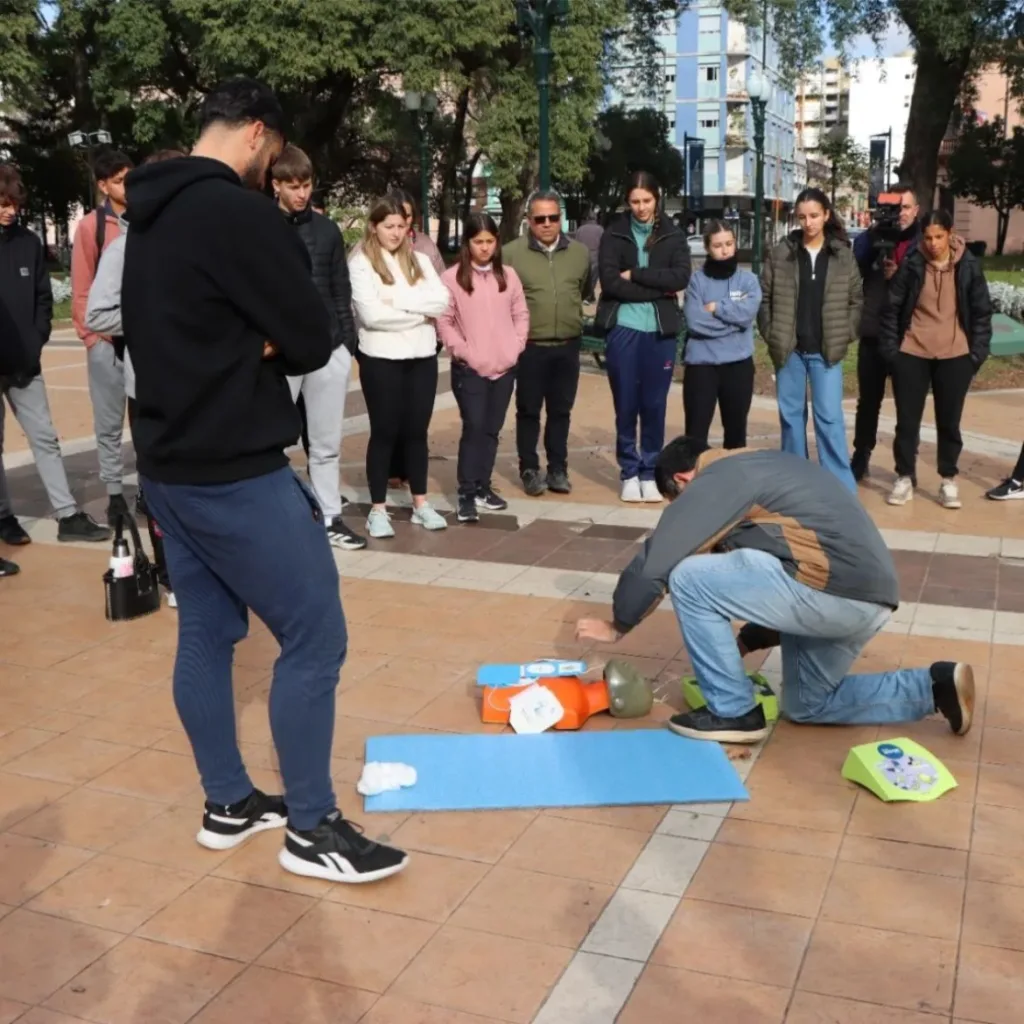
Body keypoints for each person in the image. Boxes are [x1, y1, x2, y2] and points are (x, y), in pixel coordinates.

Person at [122, 77, 408, 884]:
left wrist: (244, 340)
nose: (272, 167)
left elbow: (161, 331)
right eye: (274, 152)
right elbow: (312, 337)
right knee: (316, 636)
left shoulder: (144, 213)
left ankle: (228, 802)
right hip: (236, 471)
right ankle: (312, 827)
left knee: (207, 633)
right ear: (255, 133)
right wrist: (262, 341)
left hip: (168, 465)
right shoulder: (239, 213)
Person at [576, 436, 975, 743]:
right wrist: (749, 640)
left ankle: (732, 711)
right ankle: (934, 687)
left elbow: (660, 556)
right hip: (864, 599)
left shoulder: (723, 477)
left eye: (676, 500)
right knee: (808, 704)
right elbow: (786, 558)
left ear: (682, 479)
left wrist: (618, 624)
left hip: (833, 592)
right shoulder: (768, 464)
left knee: (688, 577)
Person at [86, 149, 189, 608]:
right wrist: (155, 317)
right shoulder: (124, 248)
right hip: (150, 389)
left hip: (202, 386)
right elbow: (98, 314)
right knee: (160, 487)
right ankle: (170, 575)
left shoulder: (204, 241)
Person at [0, 164, 111, 546]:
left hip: (26, 365)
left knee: (45, 438)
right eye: (3, 203)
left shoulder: (29, 243)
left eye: (14, 204)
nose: (10, 211)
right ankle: (4, 517)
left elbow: (43, 299)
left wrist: (35, 341)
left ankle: (67, 515)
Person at [271, 144, 366, 551]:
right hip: (280, 354)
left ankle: (330, 516)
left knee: (326, 444)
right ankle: (277, 518)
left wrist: (346, 344)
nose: (301, 193)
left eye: (306, 185)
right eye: (292, 186)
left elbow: (341, 290)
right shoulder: (261, 227)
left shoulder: (327, 231)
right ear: (275, 185)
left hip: (328, 350)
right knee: (272, 442)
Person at [349, 195, 451, 539]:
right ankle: (378, 509)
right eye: (388, 226)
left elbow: (441, 302)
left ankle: (420, 503)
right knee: (384, 432)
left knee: (416, 432)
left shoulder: (420, 260)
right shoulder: (361, 263)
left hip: (421, 357)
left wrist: (396, 299)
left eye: (401, 226)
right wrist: (418, 313)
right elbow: (372, 316)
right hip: (380, 359)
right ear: (374, 227)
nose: (395, 233)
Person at [879, 210, 991, 509]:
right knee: (907, 422)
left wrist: (975, 355)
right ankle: (905, 476)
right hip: (912, 352)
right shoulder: (912, 264)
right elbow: (891, 309)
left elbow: (981, 312)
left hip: (955, 355)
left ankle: (948, 478)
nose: (933, 244)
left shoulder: (968, 265)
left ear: (950, 234)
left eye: (939, 236)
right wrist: (893, 353)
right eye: (928, 237)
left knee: (949, 422)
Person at [597, 171, 692, 503]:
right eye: (635, 201)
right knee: (626, 403)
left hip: (660, 332)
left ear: (657, 198)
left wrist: (637, 274)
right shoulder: (613, 234)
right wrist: (657, 289)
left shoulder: (673, 235)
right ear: (627, 201)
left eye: (647, 200)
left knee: (654, 404)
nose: (641, 207)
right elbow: (611, 283)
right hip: (623, 328)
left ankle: (650, 471)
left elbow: (679, 277)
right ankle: (629, 471)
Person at [759, 187, 862, 491]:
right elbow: (765, 298)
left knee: (829, 419)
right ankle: (795, 485)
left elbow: (856, 300)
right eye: (802, 217)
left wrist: (845, 334)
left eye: (814, 215)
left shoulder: (842, 255)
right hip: (789, 350)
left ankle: (839, 488)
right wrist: (772, 334)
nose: (809, 222)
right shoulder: (782, 253)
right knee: (791, 418)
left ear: (826, 215)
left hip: (826, 351)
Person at [436, 213, 529, 523]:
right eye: (478, 242)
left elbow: (521, 314)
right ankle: (466, 492)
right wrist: (465, 352)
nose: (485, 247)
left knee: (491, 429)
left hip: (504, 367)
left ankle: (482, 487)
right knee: (474, 427)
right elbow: (444, 322)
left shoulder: (509, 276)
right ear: (468, 243)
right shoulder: (451, 278)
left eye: (490, 241)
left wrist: (516, 346)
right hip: (471, 369)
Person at [503, 190, 592, 496]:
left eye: (553, 217)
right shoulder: (511, 254)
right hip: (530, 346)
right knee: (528, 410)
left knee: (561, 411)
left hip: (567, 344)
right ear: (529, 220)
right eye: (539, 218)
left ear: (560, 218)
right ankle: (529, 468)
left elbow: (584, 289)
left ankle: (557, 469)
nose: (546, 224)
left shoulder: (580, 254)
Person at [71, 147, 134, 523]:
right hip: (106, 341)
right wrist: (92, 338)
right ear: (103, 186)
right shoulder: (91, 227)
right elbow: (81, 289)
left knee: (144, 418)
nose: (128, 186)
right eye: (120, 181)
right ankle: (114, 495)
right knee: (109, 424)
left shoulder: (144, 219)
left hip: (141, 339)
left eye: (130, 178)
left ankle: (148, 490)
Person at [850, 185, 920, 480]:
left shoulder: (923, 240)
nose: (899, 214)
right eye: (893, 208)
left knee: (908, 406)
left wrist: (901, 273)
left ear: (916, 210)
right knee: (868, 401)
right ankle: (861, 453)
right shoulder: (872, 237)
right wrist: (876, 230)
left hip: (910, 335)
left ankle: (906, 464)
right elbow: (855, 263)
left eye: (905, 208)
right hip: (874, 330)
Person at [681, 219, 760, 449]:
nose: (725, 250)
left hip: (738, 365)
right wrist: (735, 323)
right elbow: (695, 321)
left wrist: (717, 308)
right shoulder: (696, 281)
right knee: (695, 437)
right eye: (717, 245)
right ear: (707, 248)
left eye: (729, 243)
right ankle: (695, 473)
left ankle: (733, 474)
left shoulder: (749, 280)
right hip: (702, 366)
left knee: (736, 435)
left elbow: (747, 315)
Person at [573, 206, 603, 302]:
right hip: (595, 255)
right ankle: (588, 296)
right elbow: (603, 244)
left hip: (582, 255)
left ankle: (589, 296)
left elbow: (575, 243)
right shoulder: (600, 229)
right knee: (593, 278)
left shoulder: (580, 229)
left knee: (584, 277)